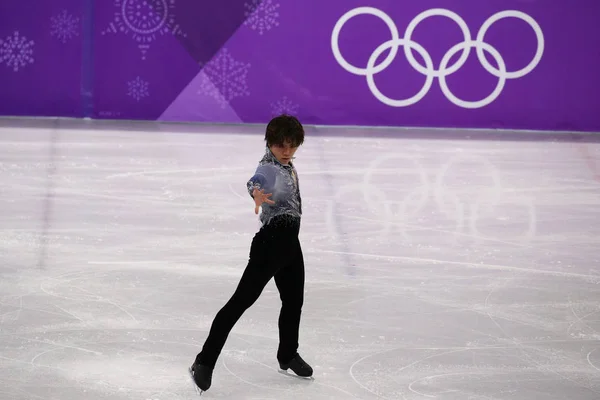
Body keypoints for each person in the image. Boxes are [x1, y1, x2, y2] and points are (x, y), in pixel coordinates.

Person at [190, 114, 313, 393]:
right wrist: (255, 192)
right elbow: (255, 181)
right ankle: (204, 361)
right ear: (270, 143)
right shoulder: (268, 167)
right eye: (281, 145)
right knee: (239, 303)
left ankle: (287, 354)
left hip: (290, 246)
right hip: (270, 246)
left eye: (292, 145)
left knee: (294, 302)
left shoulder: (287, 164)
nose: (287, 150)